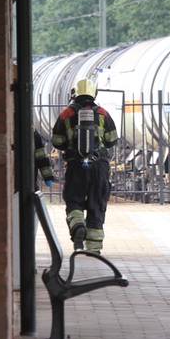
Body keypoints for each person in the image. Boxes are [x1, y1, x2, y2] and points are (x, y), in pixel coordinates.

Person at [50, 78, 118, 252]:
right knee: (97, 204)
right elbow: (111, 140)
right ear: (94, 93)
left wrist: (70, 146)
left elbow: (57, 141)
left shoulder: (66, 114)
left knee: (74, 199)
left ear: (75, 93)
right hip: (99, 166)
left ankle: (78, 225)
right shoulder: (103, 113)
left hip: (76, 165)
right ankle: (93, 249)